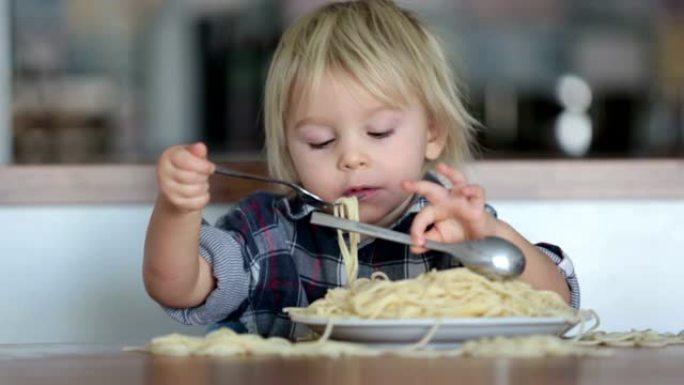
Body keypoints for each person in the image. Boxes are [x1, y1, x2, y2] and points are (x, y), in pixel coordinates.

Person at [143, 0, 579, 338]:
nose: (351, 158)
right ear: (289, 149)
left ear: (432, 132)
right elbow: (177, 288)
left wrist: (489, 238)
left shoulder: (454, 230)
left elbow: (559, 304)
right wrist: (177, 210)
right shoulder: (267, 232)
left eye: (379, 132)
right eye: (320, 141)